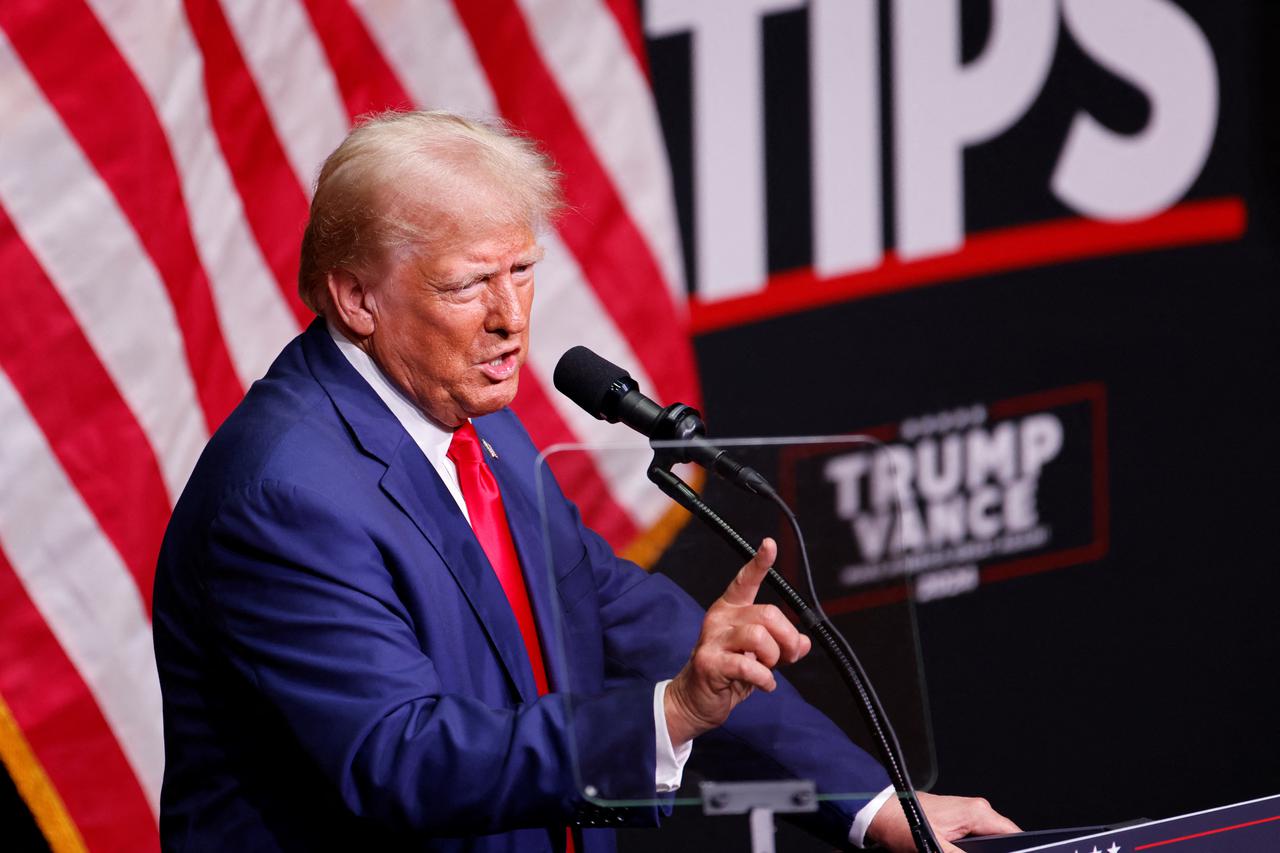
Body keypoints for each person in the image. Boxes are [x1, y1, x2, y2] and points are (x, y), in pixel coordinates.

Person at [153, 111, 1018, 852]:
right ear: (355, 297)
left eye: (521, 271)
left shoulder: (473, 413)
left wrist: (871, 806)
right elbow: (398, 757)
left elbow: (618, 613)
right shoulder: (284, 494)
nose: (511, 318)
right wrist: (668, 714)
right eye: (467, 284)